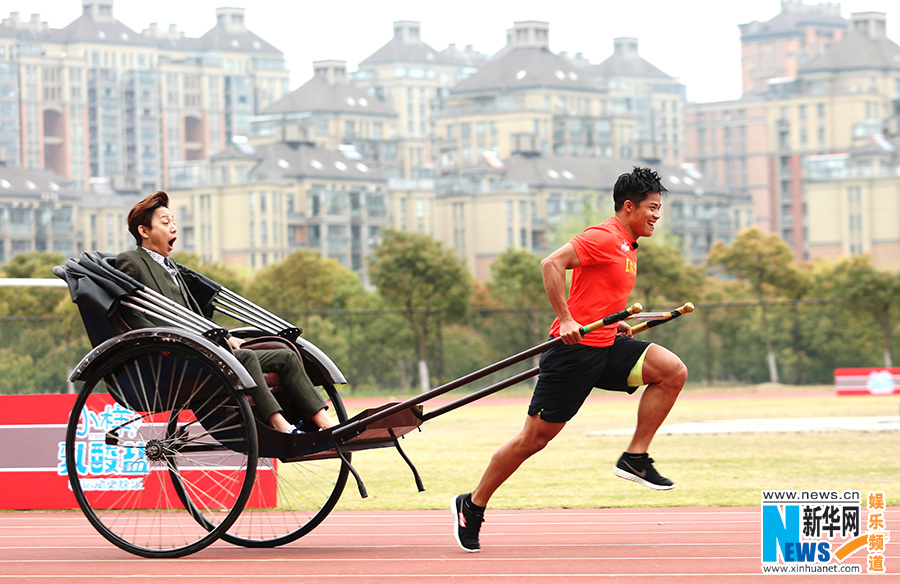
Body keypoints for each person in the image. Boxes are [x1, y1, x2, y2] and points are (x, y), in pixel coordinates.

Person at [451, 167, 688, 553]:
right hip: (572, 353)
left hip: (605, 344)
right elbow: (551, 264)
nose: (657, 215)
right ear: (629, 207)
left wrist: (619, 326)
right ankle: (472, 505)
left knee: (672, 371)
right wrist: (565, 319)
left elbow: (598, 295)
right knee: (533, 440)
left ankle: (635, 456)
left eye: (659, 208)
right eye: (652, 207)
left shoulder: (628, 246)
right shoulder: (602, 237)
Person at [116, 191, 336, 434]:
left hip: (203, 349)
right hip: (174, 356)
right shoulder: (130, 261)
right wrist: (157, 336)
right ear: (144, 231)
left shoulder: (173, 268)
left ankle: (325, 423)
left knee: (286, 357)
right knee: (246, 358)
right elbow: (127, 308)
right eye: (165, 223)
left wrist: (226, 336)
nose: (174, 228)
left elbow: (195, 315)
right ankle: (279, 425)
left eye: (174, 222)